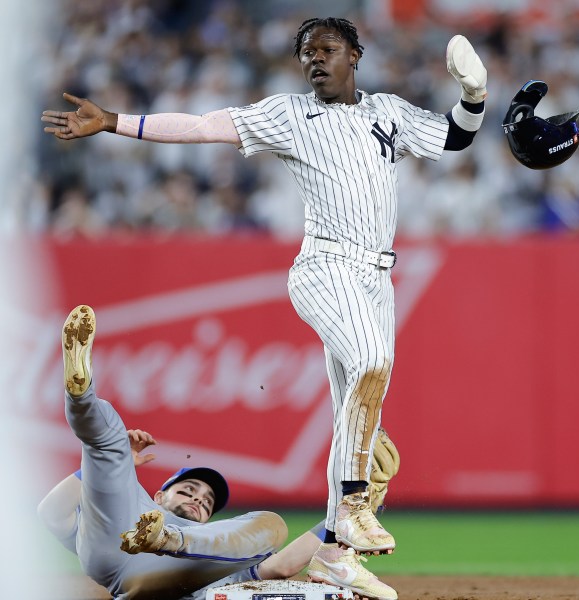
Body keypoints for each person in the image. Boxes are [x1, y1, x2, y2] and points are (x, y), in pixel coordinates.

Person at [42, 17, 487, 600]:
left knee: (355, 404)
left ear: (355, 53)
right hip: (325, 266)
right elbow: (203, 127)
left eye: (326, 49)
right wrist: (117, 122)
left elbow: (454, 138)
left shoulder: (389, 111)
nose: (314, 61)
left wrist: (475, 95)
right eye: (306, 53)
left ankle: (335, 555)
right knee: (372, 363)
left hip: (379, 276)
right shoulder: (289, 114)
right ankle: (352, 506)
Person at [54, 303, 287, 599]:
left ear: (206, 522)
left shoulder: (208, 545)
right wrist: (117, 462)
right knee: (110, 440)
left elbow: (280, 566)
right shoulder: (135, 500)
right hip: (119, 537)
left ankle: (165, 538)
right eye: (189, 490)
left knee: (273, 524)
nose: (197, 499)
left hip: (171, 561)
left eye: (206, 503)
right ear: (160, 496)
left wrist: (336, 521)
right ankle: (80, 394)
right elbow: (52, 514)